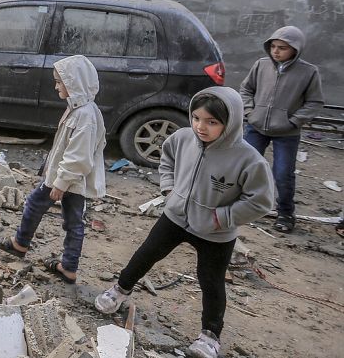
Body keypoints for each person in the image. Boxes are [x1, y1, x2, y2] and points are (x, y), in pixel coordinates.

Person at [95, 87, 274, 358]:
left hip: (216, 231)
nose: (201, 127)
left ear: (231, 122)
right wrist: (169, 189)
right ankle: (120, 290)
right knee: (146, 254)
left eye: (212, 122)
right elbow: (166, 159)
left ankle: (210, 336)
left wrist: (222, 217)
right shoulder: (182, 138)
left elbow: (260, 201)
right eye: (196, 118)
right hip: (176, 216)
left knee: (211, 280)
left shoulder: (248, 159)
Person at [0, 54, 105, 284]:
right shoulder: (81, 109)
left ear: (74, 82)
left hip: (68, 179)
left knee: (37, 205)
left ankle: (20, 245)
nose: (56, 86)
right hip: (67, 177)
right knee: (73, 221)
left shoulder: (85, 115)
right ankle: (68, 267)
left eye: (59, 81)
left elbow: (79, 156)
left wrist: (61, 182)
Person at [239, 26, 323, 233]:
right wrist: (250, 113)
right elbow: (246, 89)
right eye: (274, 47)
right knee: (244, 167)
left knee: (283, 174)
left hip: (287, 133)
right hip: (256, 127)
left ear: (295, 49)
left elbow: (315, 102)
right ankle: (238, 205)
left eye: (283, 48)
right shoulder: (261, 65)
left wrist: (294, 121)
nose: (276, 52)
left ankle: (285, 214)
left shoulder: (309, 72)